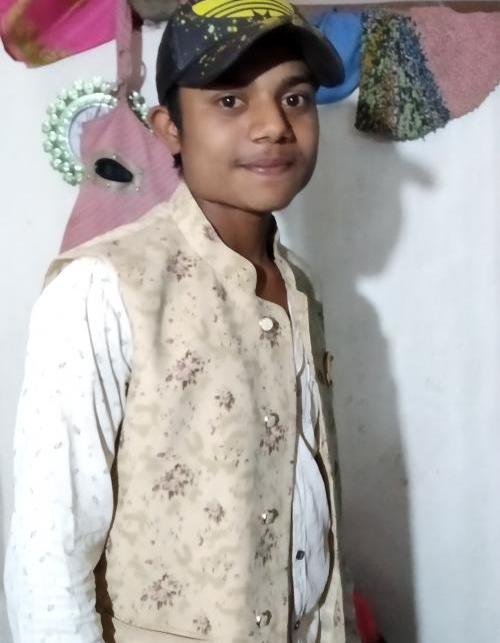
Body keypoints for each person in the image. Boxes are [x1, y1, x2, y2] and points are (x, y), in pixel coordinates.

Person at [4, 1, 358, 641]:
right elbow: (47, 558)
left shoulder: (300, 285)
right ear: (169, 128)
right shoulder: (101, 287)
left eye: (295, 98)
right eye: (229, 100)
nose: (273, 126)